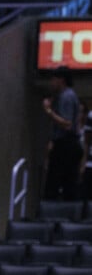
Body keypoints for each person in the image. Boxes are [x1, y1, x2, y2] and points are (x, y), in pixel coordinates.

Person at [43, 65, 83, 201]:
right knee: (67, 184)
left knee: (55, 184)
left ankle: (51, 217)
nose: (51, 83)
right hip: (65, 144)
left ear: (61, 80)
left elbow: (67, 124)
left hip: (66, 145)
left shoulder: (67, 97)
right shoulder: (66, 96)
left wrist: (49, 111)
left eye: (54, 79)